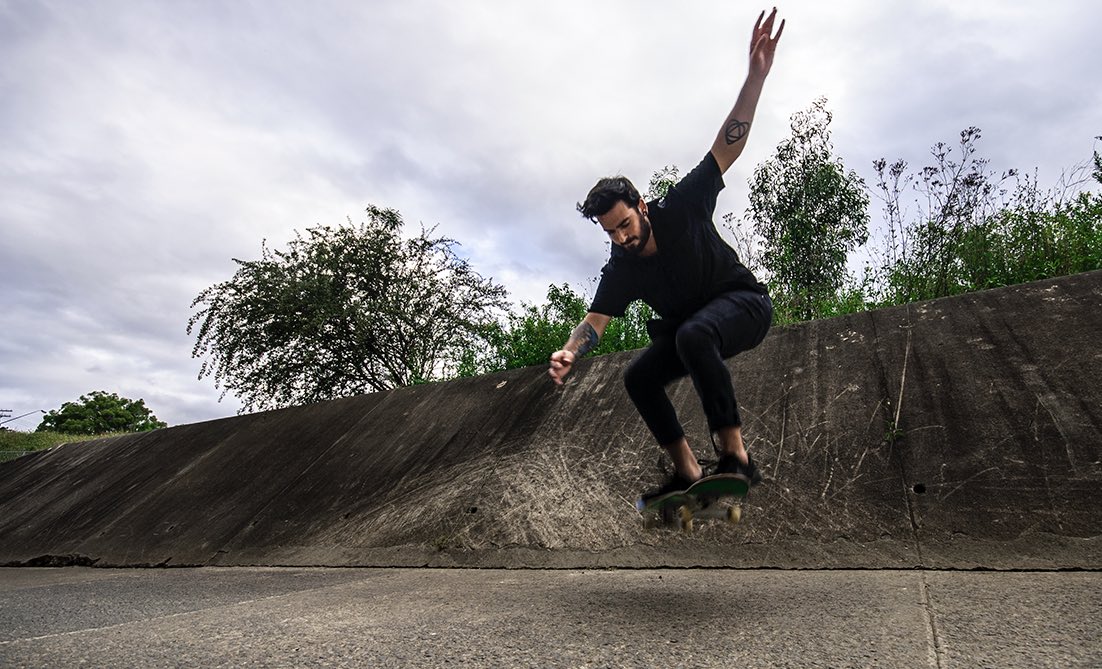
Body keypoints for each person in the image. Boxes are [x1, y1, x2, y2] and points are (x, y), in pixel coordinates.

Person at [548, 8, 784, 504]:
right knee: (639, 376)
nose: (622, 239)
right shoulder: (623, 266)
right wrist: (571, 350)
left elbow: (729, 143)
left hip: (744, 305)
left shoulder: (683, 204)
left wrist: (756, 76)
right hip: (693, 334)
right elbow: (595, 322)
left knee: (695, 333)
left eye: (626, 225)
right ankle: (687, 473)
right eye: (611, 233)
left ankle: (737, 459)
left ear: (642, 205)